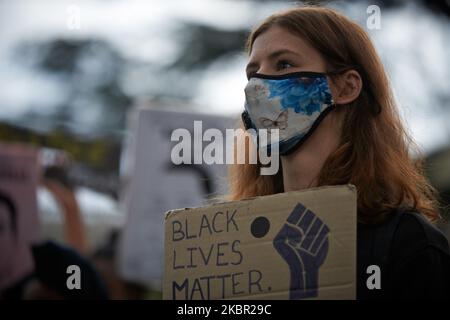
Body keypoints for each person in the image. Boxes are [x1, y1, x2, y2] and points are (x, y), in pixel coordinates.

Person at [229, 6, 450, 299]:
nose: (258, 85)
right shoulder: (237, 242)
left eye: (283, 65)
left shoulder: (407, 243)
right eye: (253, 73)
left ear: (346, 88)